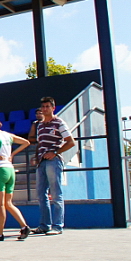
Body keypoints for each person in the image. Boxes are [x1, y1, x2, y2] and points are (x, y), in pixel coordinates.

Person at [31, 96, 76, 236]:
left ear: (53, 108)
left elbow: (71, 142)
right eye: (43, 107)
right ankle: (44, 225)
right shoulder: (40, 125)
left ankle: (58, 226)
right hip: (41, 161)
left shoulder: (59, 122)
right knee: (41, 194)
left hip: (54, 160)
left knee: (56, 193)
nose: (45, 109)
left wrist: (55, 152)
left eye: (47, 106)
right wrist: (36, 156)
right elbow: (40, 143)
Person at [0, 115, 31, 241]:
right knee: (8, 203)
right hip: (10, 169)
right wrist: (12, 154)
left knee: (0, 205)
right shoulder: (7, 135)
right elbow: (26, 142)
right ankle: (24, 226)